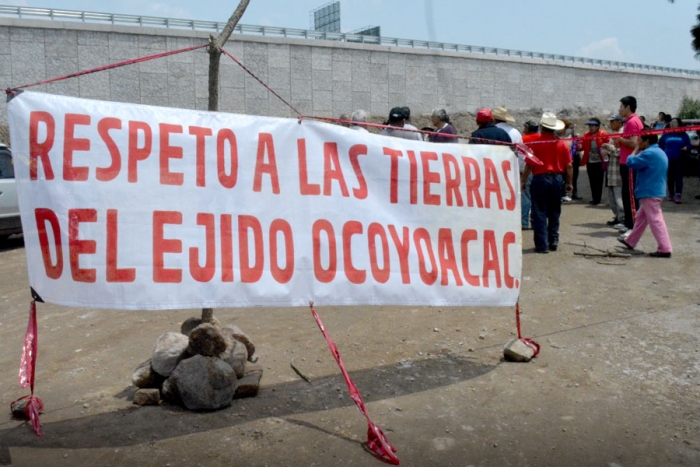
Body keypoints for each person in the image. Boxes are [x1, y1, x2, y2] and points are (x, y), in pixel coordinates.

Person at [521, 112, 574, 253]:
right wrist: (569, 182)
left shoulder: (536, 143)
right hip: (557, 179)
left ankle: (541, 244)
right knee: (554, 211)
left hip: (540, 179)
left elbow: (529, 165)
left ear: (542, 127)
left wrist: (523, 180)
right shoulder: (562, 144)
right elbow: (569, 165)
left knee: (539, 212)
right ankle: (553, 240)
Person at [616, 134, 672, 258]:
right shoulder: (658, 151)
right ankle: (631, 241)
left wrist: (635, 149)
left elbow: (630, 162)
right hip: (655, 190)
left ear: (647, 141)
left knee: (656, 220)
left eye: (640, 140)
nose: (638, 142)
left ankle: (665, 248)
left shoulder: (649, 153)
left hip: (650, 191)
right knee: (641, 217)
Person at [615, 96, 644, 234]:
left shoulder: (633, 122)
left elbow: (633, 143)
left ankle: (633, 226)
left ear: (628, 107)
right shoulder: (629, 122)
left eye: (621, 106)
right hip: (625, 162)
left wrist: (619, 139)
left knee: (631, 195)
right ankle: (628, 223)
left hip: (631, 163)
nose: (619, 109)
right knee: (626, 193)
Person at [658, 117, 691, 204]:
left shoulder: (683, 134)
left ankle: (678, 195)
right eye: (672, 122)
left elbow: (689, 145)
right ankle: (671, 194)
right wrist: (662, 151)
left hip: (680, 159)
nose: (673, 124)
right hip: (668, 159)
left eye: (675, 122)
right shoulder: (666, 133)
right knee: (670, 177)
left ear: (679, 124)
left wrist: (686, 148)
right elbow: (660, 143)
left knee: (678, 177)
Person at [601, 115, 625, 228]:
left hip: (618, 171)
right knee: (612, 197)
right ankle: (617, 217)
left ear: (619, 122)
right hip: (611, 169)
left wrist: (609, 148)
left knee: (618, 197)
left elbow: (621, 152)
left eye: (612, 122)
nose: (611, 124)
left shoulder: (623, 134)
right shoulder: (614, 134)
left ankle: (622, 219)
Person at [580, 117, 609, 205]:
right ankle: (594, 198)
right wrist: (578, 146)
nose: (591, 127)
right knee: (592, 180)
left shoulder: (603, 134)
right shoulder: (586, 135)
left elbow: (608, 144)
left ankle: (598, 198)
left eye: (593, 125)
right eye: (590, 125)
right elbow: (582, 144)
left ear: (597, 127)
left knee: (599, 180)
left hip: (600, 161)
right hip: (590, 161)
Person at [520, 120, 539, 230]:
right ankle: (535, 222)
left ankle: (524, 222)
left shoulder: (523, 139)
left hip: (528, 169)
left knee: (526, 197)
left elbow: (522, 157)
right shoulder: (541, 138)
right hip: (540, 171)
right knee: (536, 198)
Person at [558, 119, 580, 201]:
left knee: (572, 176)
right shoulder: (556, 135)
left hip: (572, 157)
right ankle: (562, 194)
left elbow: (574, 145)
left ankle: (573, 193)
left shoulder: (572, 135)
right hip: (561, 159)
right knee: (562, 177)